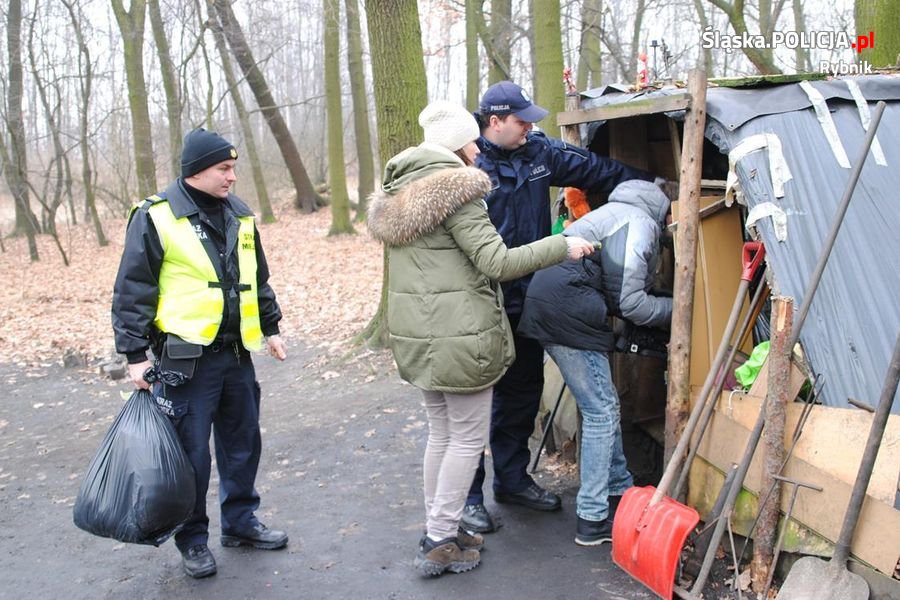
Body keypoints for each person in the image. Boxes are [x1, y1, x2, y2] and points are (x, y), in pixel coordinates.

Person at [366, 101, 594, 577]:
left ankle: (441, 527)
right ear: (455, 144)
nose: (476, 150)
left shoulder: (399, 192)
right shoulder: (457, 191)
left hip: (420, 334)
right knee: (467, 437)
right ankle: (440, 541)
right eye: (470, 141)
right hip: (459, 335)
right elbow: (498, 262)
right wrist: (562, 245)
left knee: (443, 433)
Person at [462, 80, 656, 534]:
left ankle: (512, 481)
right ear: (495, 122)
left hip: (528, 297)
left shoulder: (540, 154)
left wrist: (656, 189)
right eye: (521, 119)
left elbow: (602, 171)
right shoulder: (466, 163)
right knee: (473, 403)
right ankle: (468, 499)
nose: (531, 126)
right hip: (481, 301)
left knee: (522, 394)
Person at [111, 128, 289, 579]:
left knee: (243, 445)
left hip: (235, 355)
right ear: (196, 171)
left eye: (233, 168)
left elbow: (257, 277)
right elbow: (133, 289)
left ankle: (241, 523)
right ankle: (192, 540)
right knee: (191, 455)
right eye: (223, 169)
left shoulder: (240, 214)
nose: (232, 177)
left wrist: (271, 327)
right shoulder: (156, 216)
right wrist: (134, 355)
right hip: (184, 362)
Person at [517, 178, 673, 545]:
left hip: (549, 307)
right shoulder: (641, 223)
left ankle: (619, 491)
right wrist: (678, 309)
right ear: (661, 208)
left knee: (602, 407)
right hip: (568, 313)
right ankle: (592, 517)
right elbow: (632, 302)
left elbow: (618, 289)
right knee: (602, 411)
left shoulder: (608, 213)